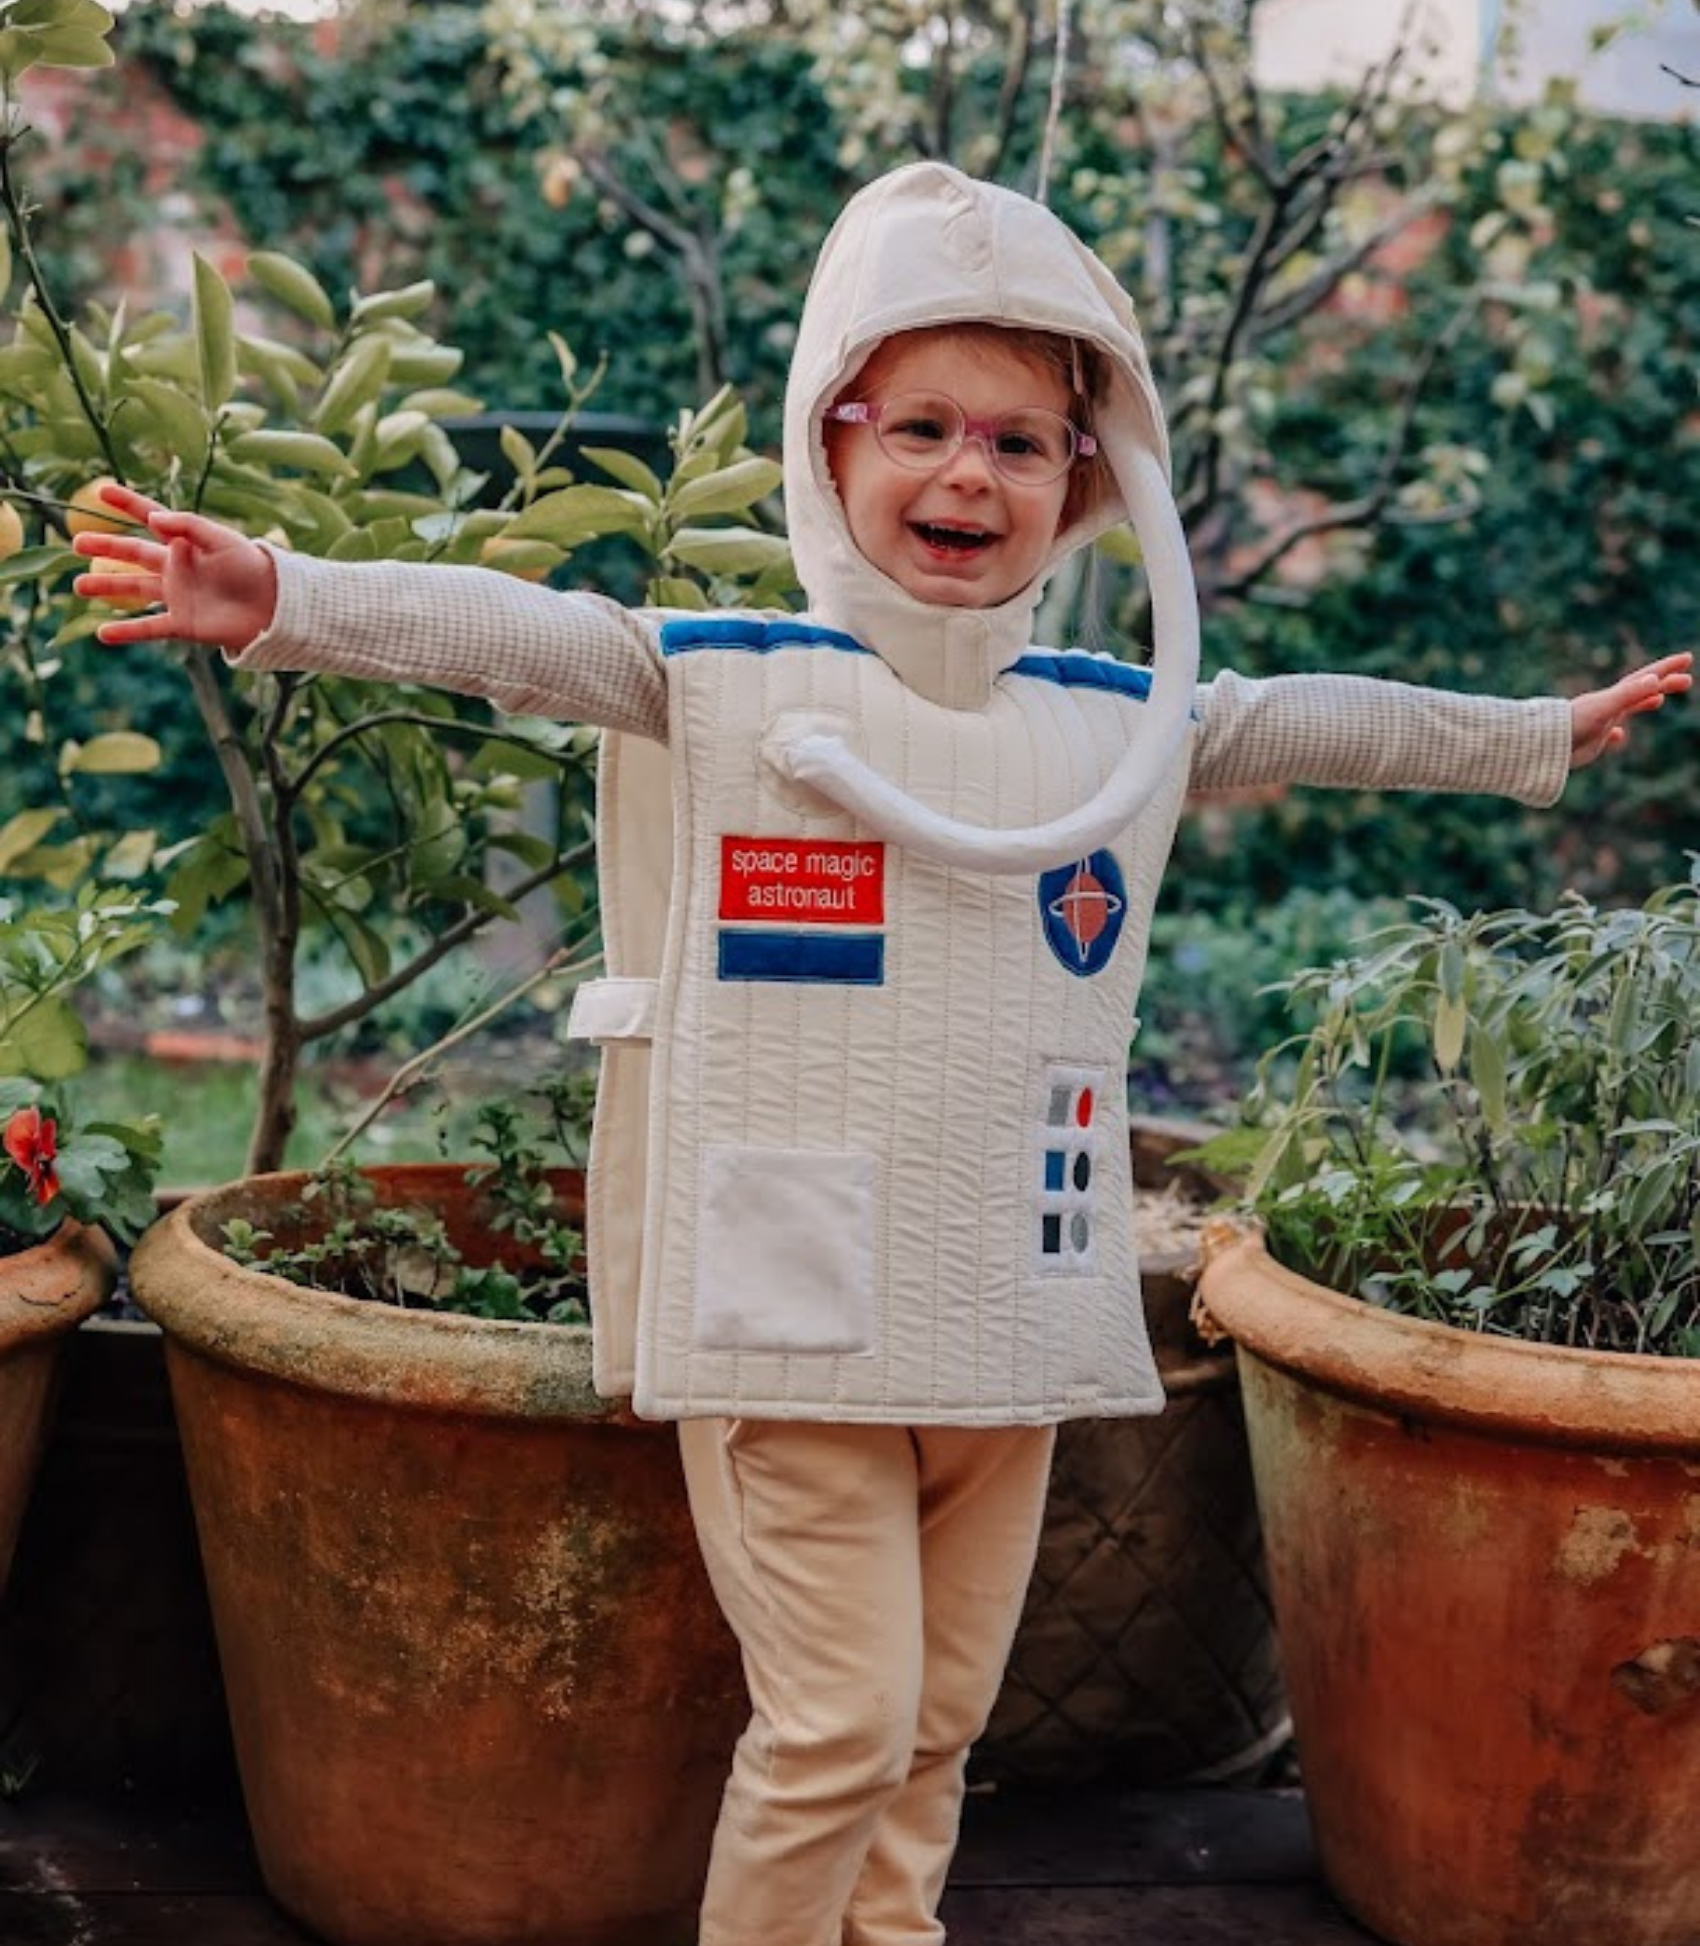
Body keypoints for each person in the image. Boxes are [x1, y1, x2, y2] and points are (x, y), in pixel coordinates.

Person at [73, 162, 1688, 1946]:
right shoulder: (731, 677)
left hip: (1005, 1295)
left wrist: (1539, 731)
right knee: (837, 1722)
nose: (967, 473)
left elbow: (1298, 723)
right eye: (919, 423)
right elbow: (523, 638)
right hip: (795, 1308)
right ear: (828, 442)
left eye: (1019, 442)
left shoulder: (1112, 723)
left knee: (935, 1730)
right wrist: (281, 590)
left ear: (1089, 488)